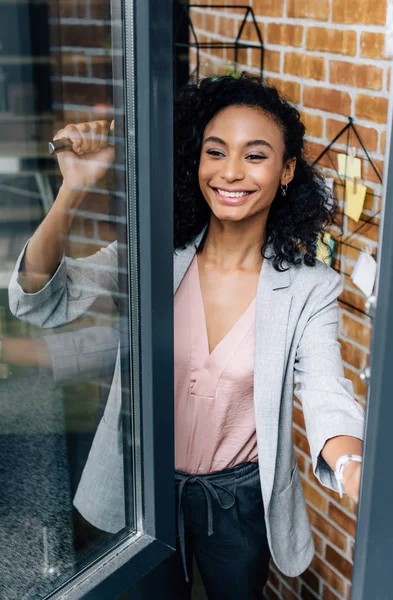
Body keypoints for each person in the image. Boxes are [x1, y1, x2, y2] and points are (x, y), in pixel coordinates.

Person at [8, 74, 365, 599]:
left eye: (255, 156)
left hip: (240, 499)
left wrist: (356, 469)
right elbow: (42, 299)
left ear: (287, 170)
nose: (230, 172)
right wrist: (74, 188)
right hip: (144, 491)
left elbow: (327, 394)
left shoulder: (311, 289)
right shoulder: (152, 259)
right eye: (215, 152)